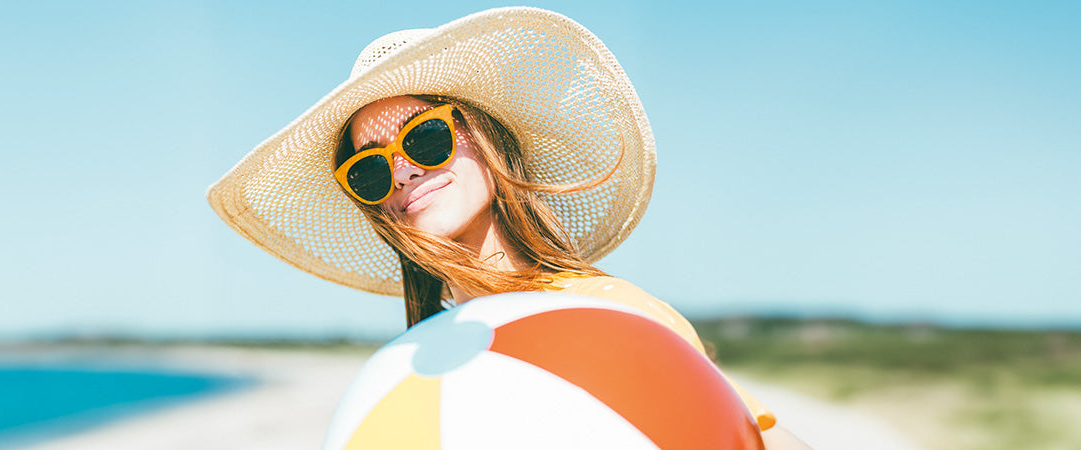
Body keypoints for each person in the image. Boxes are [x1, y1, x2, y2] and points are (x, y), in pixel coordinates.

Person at [209, 7, 811, 449]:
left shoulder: (613, 314)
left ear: (488, 141)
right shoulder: (415, 366)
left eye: (424, 136)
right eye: (368, 170)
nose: (402, 169)